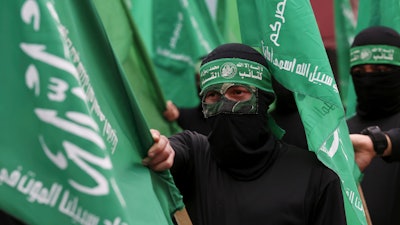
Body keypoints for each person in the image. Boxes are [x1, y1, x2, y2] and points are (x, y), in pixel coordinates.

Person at [143, 43, 347, 225]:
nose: (225, 104)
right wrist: (160, 147)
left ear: (264, 99)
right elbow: (173, 150)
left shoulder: (314, 176)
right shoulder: (196, 157)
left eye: (238, 92)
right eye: (213, 95)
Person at [346, 26, 400, 225]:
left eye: (380, 71)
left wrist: (380, 143)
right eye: (360, 72)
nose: (369, 81)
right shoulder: (339, 133)